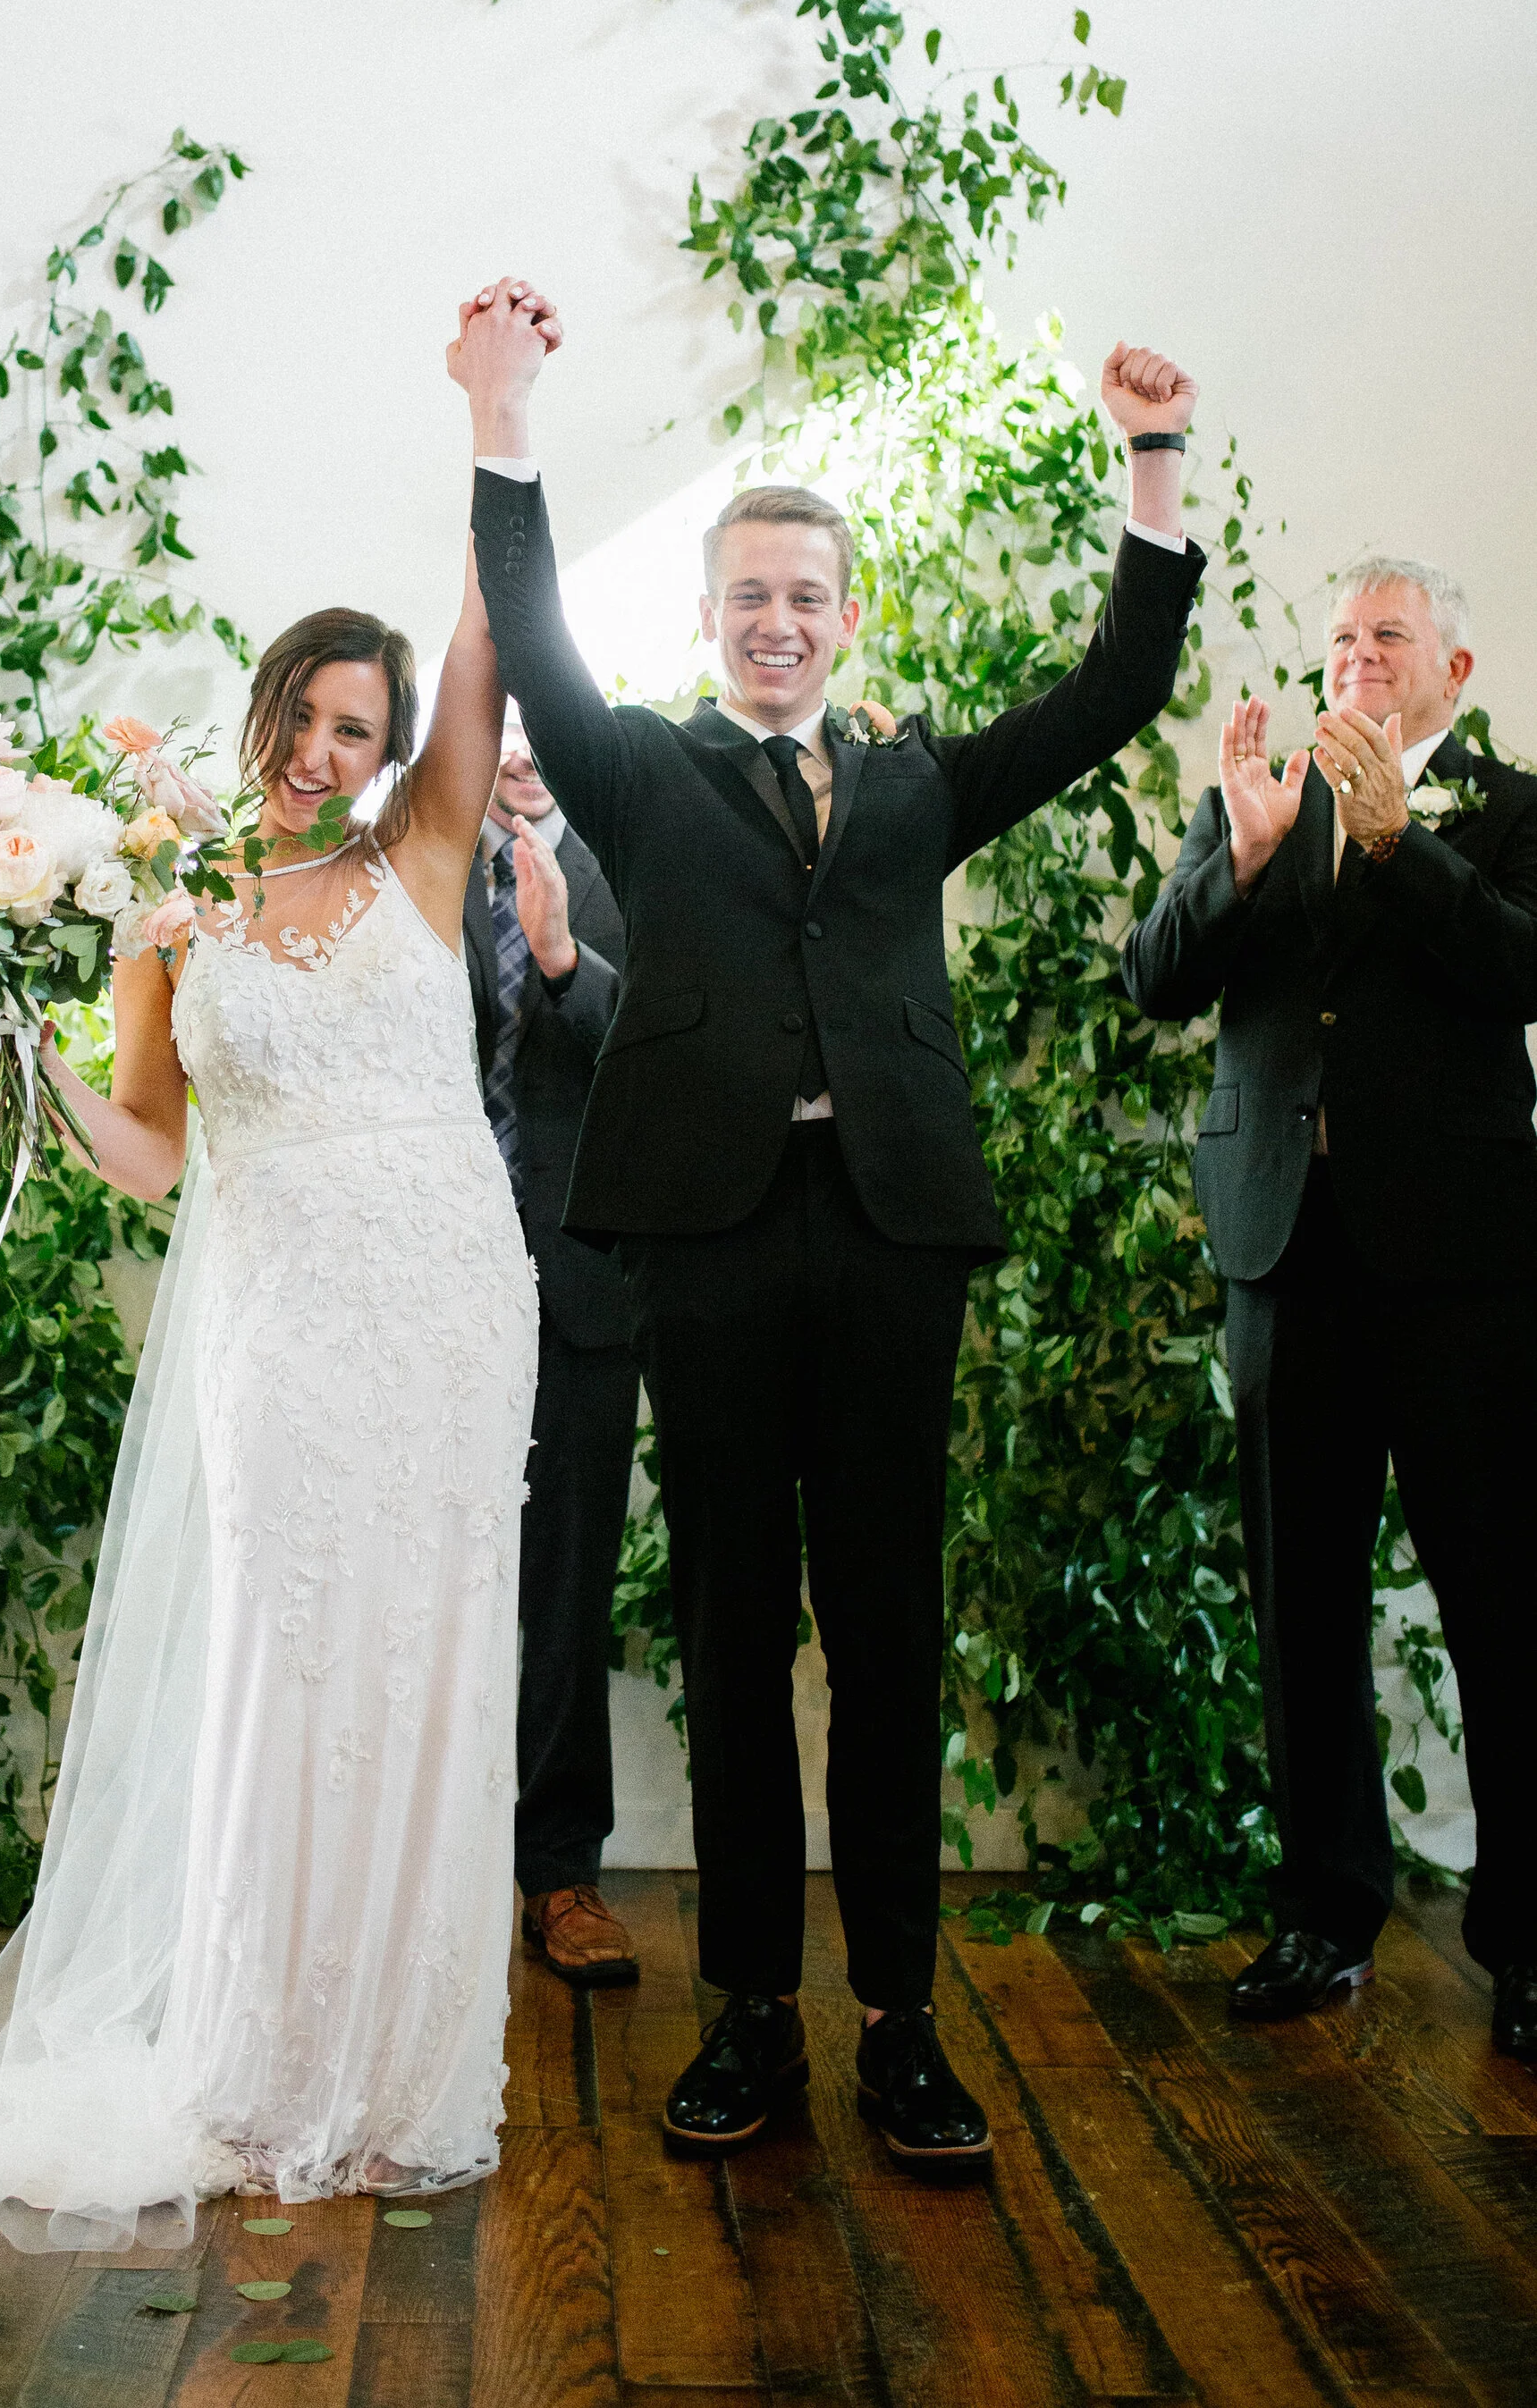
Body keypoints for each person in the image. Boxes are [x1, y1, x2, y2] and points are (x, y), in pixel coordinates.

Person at [454, 280, 1203, 2170]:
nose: (775, 622)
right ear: (710, 621)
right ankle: (749, 2024)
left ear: (845, 618)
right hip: (703, 1242)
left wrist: (1149, 462)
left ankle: (893, 2024)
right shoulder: (635, 764)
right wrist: (505, 415)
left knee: (880, 1630)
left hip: (885, 1243)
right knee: (724, 1631)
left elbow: (1113, 692)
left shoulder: (915, 786)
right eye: (744, 597)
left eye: (804, 596)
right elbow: (530, 640)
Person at [0, 450, 538, 2255]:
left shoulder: (427, 848)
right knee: (284, 1659)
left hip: (444, 1296)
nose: (324, 754)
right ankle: (262, 2058)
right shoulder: (159, 913)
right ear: (267, 705)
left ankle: (399, 2070)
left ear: (387, 750)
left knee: (427, 1663)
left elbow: (490, 631)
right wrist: (25, 1058)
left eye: (362, 731)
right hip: (279, 1306)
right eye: (309, 715)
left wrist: (493, 421)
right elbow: (153, 1149)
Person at [1121, 561, 1537, 2066]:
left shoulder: (1510, 805)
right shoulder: (1263, 797)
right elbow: (1154, 979)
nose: (1360, 657)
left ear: (1456, 665)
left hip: (1464, 1266)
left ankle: (1527, 1939)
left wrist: (1399, 848)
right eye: (1342, 636)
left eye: (1391, 636)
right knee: (1303, 1594)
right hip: (1283, 1257)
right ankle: (1325, 1907)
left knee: (1500, 1598)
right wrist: (1234, 859)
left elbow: (1523, 965)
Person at [463, 723, 637, 1986]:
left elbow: (670, 1055)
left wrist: (568, 951)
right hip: (426, 1281)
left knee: (566, 1588)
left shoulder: (639, 857)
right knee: (421, 1588)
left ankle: (561, 1871)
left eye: (542, 718)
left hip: (583, 1282)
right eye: (496, 715)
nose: (519, 745)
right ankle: (424, 1870)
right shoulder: (407, 871)